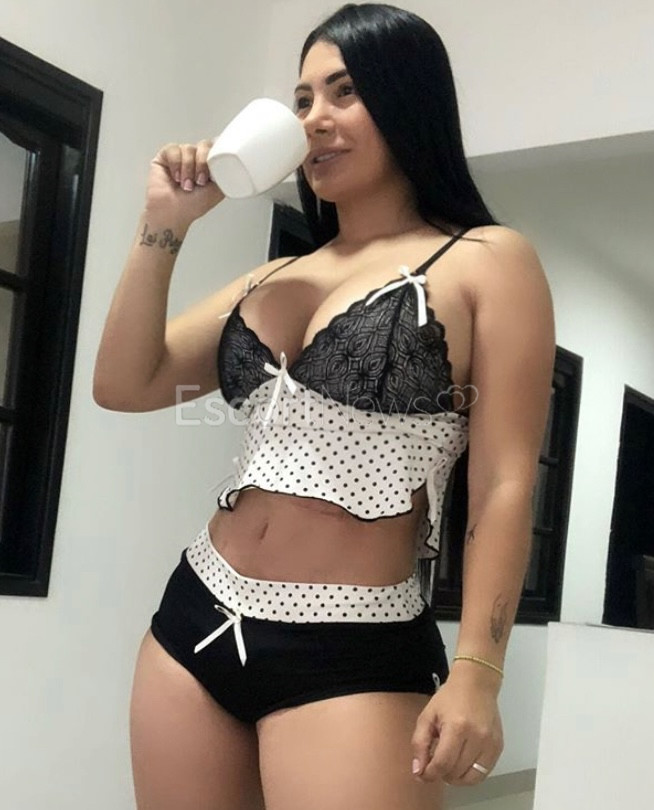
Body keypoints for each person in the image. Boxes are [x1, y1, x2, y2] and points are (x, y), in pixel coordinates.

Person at [94, 3, 555, 809]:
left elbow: (504, 484)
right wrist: (163, 224)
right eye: (303, 100)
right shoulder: (274, 278)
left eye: (344, 92)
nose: (314, 120)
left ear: (408, 101)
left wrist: (480, 670)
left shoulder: (488, 261)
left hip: (353, 644)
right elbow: (127, 383)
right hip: (197, 614)